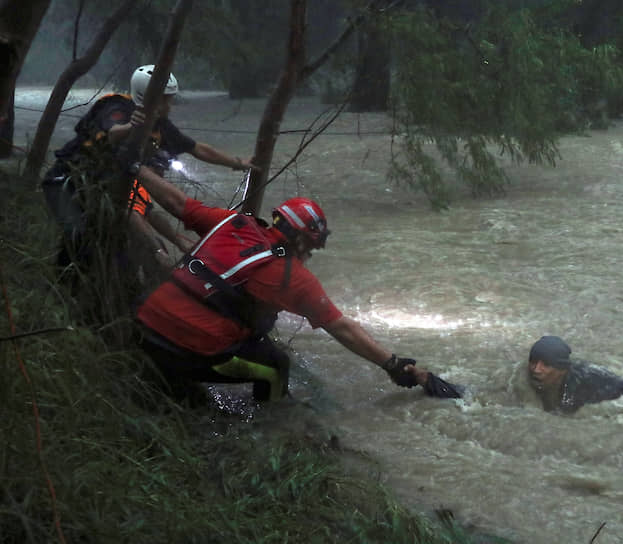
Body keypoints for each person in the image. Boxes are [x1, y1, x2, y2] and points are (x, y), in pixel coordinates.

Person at [125, 162, 459, 402]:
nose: (311, 254)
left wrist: (134, 166)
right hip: (185, 349)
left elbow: (175, 202)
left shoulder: (232, 223)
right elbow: (342, 328)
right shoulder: (292, 278)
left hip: (143, 327)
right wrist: (392, 365)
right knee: (276, 366)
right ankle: (274, 432)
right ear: (299, 241)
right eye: (312, 246)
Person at [42, 64, 254, 275]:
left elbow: (198, 149)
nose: (169, 106)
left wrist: (238, 163)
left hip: (104, 190)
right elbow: (113, 133)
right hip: (66, 181)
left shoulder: (161, 126)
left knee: (124, 249)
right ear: (147, 96)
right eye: (165, 99)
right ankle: (61, 287)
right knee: (77, 235)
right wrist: (133, 127)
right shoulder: (116, 107)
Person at [527, 335, 623, 414]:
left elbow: (562, 416)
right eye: (533, 361)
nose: (536, 369)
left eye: (546, 365)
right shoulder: (532, 374)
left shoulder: (576, 388)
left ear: (562, 369)